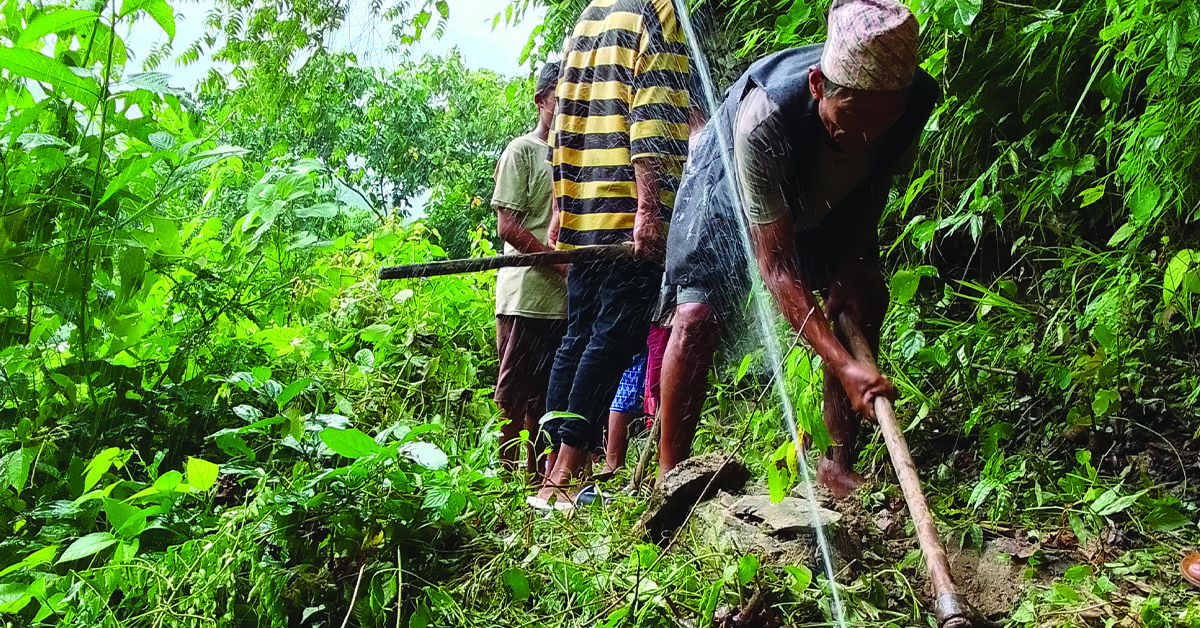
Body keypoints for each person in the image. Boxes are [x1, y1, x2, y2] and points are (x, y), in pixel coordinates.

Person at [656, 0, 939, 498]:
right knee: (697, 316)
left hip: (827, 196)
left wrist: (848, 262)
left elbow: (878, 180)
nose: (870, 131)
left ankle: (837, 465)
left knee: (864, 295)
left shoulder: (912, 101)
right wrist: (844, 365)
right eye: (855, 114)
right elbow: (778, 267)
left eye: (885, 114)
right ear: (817, 87)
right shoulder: (766, 118)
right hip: (724, 187)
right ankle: (671, 479)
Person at [530, 0, 691, 508]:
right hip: (625, 214)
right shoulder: (656, 10)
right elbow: (653, 116)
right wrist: (649, 207)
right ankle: (565, 477)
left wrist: (562, 205)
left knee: (579, 337)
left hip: (584, 211)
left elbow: (563, 118)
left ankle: (550, 472)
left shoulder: (591, 15)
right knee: (609, 339)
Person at [492, 62, 567, 475]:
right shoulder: (522, 151)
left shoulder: (574, 153)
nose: (565, 104)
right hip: (526, 294)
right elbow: (508, 226)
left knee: (545, 396)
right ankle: (504, 479)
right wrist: (557, 263)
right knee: (513, 391)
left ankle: (536, 478)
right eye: (559, 97)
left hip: (560, 299)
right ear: (541, 101)